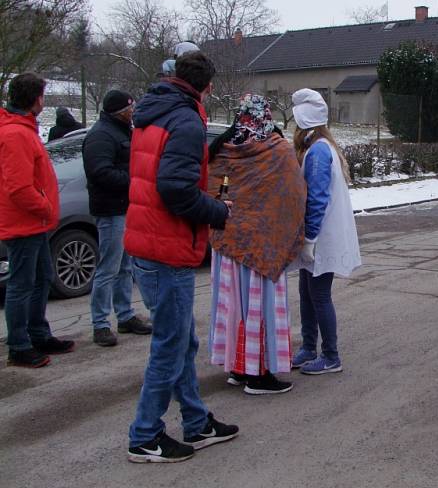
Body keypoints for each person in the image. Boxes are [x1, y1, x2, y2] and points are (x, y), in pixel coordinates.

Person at [123, 51, 238, 463]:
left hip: (148, 242)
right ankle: (145, 434)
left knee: (181, 340)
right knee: (171, 345)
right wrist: (218, 212)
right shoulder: (186, 120)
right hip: (165, 247)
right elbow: (174, 189)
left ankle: (195, 420)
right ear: (207, 86)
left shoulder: (153, 112)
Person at [207, 94, 306, 395]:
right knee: (258, 308)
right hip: (262, 245)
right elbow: (294, 194)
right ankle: (258, 374)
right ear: (267, 115)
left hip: (229, 246)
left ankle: (239, 366)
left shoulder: (223, 148)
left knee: (234, 307)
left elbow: (216, 191)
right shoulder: (277, 150)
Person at [1, 73, 75, 368]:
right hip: (24, 223)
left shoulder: (23, 129)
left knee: (43, 277)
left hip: (34, 223)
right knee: (22, 283)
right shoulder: (15, 134)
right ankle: (19, 344)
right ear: (36, 100)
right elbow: (19, 188)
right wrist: (45, 207)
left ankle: (38, 333)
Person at [289, 88, 361, 375]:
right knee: (307, 293)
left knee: (318, 295)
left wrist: (309, 238)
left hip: (320, 237)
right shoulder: (320, 146)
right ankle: (308, 347)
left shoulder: (318, 150)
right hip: (319, 236)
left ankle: (331, 355)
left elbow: (317, 198)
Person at [83, 89, 151, 347]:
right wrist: (134, 181)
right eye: (130, 107)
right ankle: (100, 323)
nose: (133, 112)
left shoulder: (123, 131)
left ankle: (125, 315)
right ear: (120, 111)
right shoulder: (101, 135)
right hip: (111, 210)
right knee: (108, 268)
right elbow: (100, 172)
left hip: (125, 208)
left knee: (125, 266)